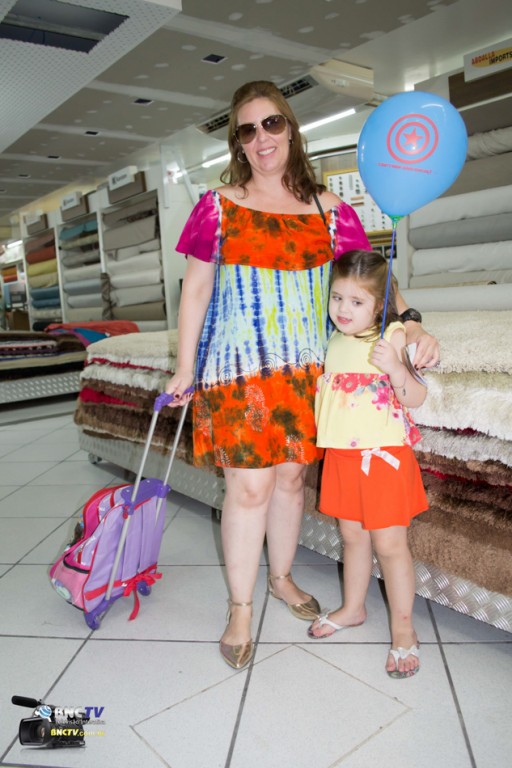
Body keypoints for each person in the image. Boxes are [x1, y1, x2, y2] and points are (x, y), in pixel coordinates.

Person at [165, 80, 439, 670]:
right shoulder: (217, 206)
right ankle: (241, 607)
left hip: (308, 373)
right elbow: (196, 290)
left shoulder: (329, 210)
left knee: (290, 483)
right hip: (238, 371)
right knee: (249, 489)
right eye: (247, 129)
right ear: (238, 142)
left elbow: (375, 281)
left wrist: (412, 324)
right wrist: (185, 366)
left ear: (290, 128)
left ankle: (282, 577)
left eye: (272, 123)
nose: (261, 138)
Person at [308, 249, 429, 678]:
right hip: (343, 456)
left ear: (379, 306)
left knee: (390, 546)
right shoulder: (334, 339)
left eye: (357, 301)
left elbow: (416, 396)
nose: (343, 309)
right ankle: (353, 608)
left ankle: (404, 629)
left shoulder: (391, 335)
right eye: (337, 297)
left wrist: (396, 368)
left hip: (383, 458)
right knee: (353, 538)